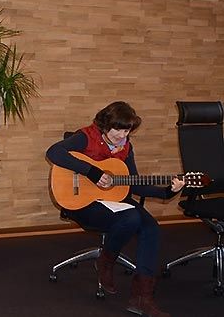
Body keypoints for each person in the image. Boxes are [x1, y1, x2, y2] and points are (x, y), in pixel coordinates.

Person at [46, 101, 184, 317]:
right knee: (130, 218)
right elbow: (54, 152)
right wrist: (92, 172)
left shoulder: (126, 147)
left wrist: (168, 191)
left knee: (151, 228)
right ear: (104, 126)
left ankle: (142, 298)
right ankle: (106, 261)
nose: (122, 135)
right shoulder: (87, 136)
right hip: (83, 204)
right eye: (117, 129)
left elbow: (134, 183)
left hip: (114, 200)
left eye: (127, 130)